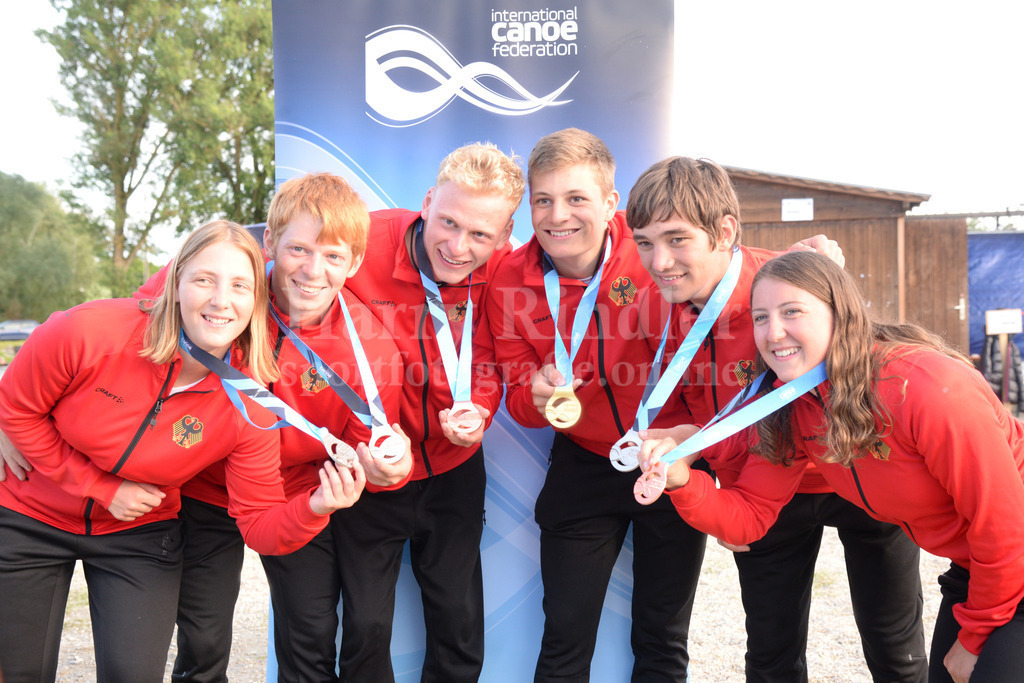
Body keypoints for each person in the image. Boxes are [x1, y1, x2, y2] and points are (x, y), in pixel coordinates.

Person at [0, 220, 364, 683]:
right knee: (19, 671)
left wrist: (316, 507)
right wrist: (101, 487)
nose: (220, 300)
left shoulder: (250, 405)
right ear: (174, 285)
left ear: (256, 302)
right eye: (204, 280)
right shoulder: (88, 329)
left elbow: (258, 524)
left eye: (239, 286)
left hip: (137, 533)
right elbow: (16, 409)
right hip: (29, 514)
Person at [639, 250, 1024, 683]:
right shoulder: (796, 403)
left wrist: (974, 638)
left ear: (840, 314)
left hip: (1012, 555)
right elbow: (748, 517)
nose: (773, 332)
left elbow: (1003, 523)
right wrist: (681, 479)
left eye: (792, 312)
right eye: (761, 317)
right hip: (980, 570)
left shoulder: (925, 386)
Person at [626, 157, 927, 682]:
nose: (660, 261)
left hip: (856, 471)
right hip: (769, 486)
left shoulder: (787, 281)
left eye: (676, 239)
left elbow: (858, 361)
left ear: (725, 232)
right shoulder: (661, 309)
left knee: (894, 648)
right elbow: (701, 415)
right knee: (770, 655)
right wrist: (725, 497)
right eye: (645, 243)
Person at [127, 173, 411, 682]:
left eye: (333, 256)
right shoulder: (222, 280)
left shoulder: (371, 347)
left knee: (311, 635)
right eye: (299, 249)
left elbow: (367, 446)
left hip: (292, 497)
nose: (313, 270)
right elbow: (123, 333)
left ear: (355, 263)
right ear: (271, 242)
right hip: (204, 489)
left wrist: (386, 468)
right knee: (203, 640)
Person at [485, 128, 707, 681]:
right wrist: (536, 396)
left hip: (669, 454)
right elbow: (518, 400)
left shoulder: (652, 247)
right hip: (583, 459)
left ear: (611, 203)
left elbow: (726, 263)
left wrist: (802, 259)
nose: (558, 215)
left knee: (662, 637)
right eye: (543, 200)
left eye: (576, 198)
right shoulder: (508, 278)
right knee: (564, 636)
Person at [333, 142, 525, 682]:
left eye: (480, 234)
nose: (458, 247)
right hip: (371, 466)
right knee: (365, 629)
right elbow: (276, 270)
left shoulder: (507, 269)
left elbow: (492, 354)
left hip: (453, 467)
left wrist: (479, 408)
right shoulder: (361, 239)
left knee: (458, 626)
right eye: (448, 222)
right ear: (426, 202)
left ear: (505, 234)